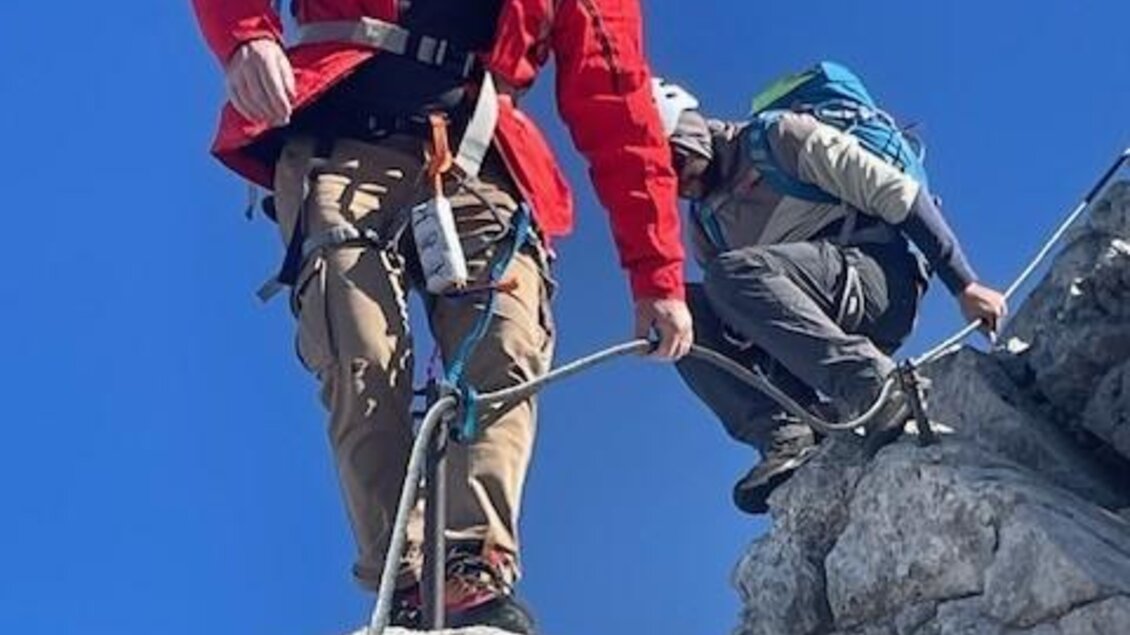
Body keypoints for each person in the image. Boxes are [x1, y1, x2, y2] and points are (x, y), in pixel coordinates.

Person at [190, 1, 694, 632]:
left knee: (507, 342)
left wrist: (658, 276)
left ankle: (473, 572)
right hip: (340, 138)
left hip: (480, 158)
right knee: (358, 347)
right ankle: (403, 583)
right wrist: (245, 38)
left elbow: (617, 100)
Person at [651, 78, 1007, 515]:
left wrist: (965, 284)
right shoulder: (707, 225)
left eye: (673, 160)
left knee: (731, 274)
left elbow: (897, 195)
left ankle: (875, 388)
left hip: (876, 276)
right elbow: (746, 311)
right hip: (801, 310)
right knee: (674, 311)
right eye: (658, 180)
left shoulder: (779, 137)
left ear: (685, 128)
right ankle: (786, 432)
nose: (676, 183)